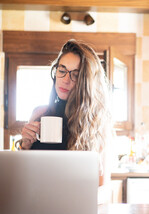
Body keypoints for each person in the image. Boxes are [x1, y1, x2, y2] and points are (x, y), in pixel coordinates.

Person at [18, 39, 113, 192]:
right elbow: (21, 174)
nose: (65, 80)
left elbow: (103, 188)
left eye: (75, 75)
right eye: (62, 71)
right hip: (37, 202)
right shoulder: (39, 113)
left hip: (75, 208)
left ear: (86, 83)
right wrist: (24, 146)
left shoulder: (96, 123)